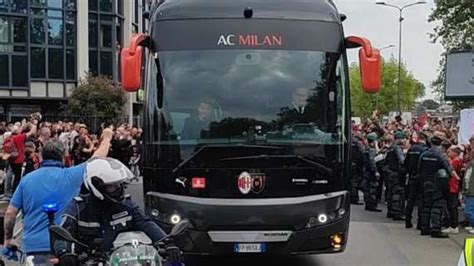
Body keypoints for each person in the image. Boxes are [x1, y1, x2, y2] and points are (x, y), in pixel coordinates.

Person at [2, 128, 114, 255]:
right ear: (62, 156)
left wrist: (8, 239)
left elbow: (10, 213)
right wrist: (107, 138)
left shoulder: (27, 180)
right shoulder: (71, 176)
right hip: (63, 245)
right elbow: (96, 160)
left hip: (33, 246)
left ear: (41, 156)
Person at [54, 157, 166, 262]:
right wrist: (65, 253)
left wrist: (167, 242)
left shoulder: (126, 205)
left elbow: (146, 223)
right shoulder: (78, 208)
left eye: (119, 185)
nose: (118, 189)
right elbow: (62, 234)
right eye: (112, 186)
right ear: (96, 186)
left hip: (123, 262)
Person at [418, 135, 460, 238]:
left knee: (426, 205)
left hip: (425, 182)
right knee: (437, 205)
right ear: (440, 144)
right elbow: (450, 170)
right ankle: (435, 229)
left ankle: (424, 228)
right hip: (437, 183)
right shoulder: (441, 156)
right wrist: (458, 178)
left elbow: (419, 169)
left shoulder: (423, 155)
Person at [404, 131, 429, 229]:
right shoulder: (425, 150)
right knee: (421, 200)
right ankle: (420, 223)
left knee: (411, 199)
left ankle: (407, 221)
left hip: (412, 176)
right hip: (421, 177)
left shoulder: (411, 149)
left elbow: (406, 163)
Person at [384, 130, 407, 221]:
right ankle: (397, 212)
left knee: (390, 192)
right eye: (403, 138)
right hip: (396, 173)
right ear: (400, 139)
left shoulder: (390, 147)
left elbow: (386, 160)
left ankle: (390, 211)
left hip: (390, 172)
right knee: (397, 193)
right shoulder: (397, 148)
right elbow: (402, 160)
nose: (404, 140)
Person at [443, 146, 463, 234]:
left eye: (450, 152)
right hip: (452, 185)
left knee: (452, 206)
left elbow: (450, 170)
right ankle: (452, 224)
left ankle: (454, 225)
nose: (448, 153)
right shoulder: (456, 160)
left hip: (453, 185)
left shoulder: (455, 161)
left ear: (455, 153)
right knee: (450, 205)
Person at [363, 133, 382, 212]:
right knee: (373, 189)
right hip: (371, 172)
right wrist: (376, 171)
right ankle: (372, 205)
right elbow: (372, 161)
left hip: (366, 171)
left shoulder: (366, 149)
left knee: (367, 188)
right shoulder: (371, 150)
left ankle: (368, 204)